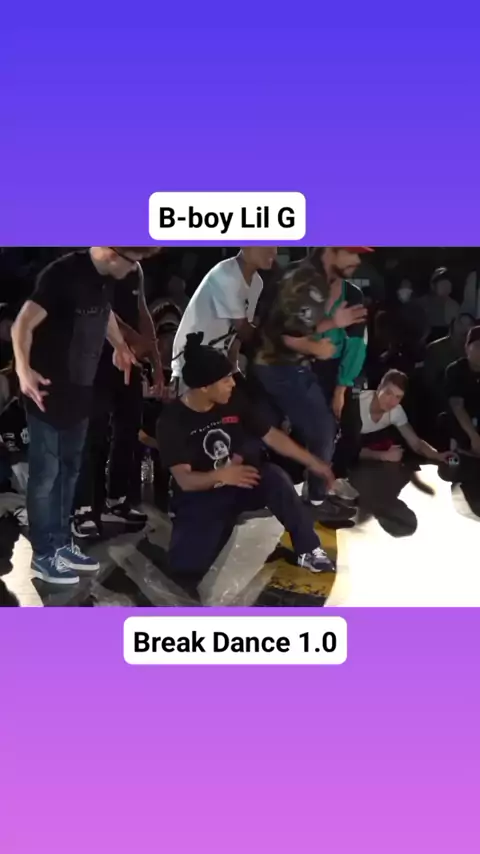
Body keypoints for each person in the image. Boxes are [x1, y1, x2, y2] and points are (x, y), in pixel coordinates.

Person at [157, 333, 337, 596]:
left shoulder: (233, 400)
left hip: (240, 481)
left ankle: (308, 548)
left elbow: (271, 435)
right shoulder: (172, 421)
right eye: (225, 380)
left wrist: (314, 463)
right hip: (201, 495)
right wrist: (222, 476)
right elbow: (185, 480)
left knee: (274, 477)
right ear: (204, 387)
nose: (232, 383)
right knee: (183, 573)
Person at [11, 248, 139, 585]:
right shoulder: (62, 274)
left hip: (80, 391)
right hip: (47, 391)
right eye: (132, 261)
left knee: (69, 472)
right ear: (111, 254)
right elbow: (22, 323)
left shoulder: (105, 278)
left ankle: (60, 544)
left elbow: (104, 312)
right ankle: (43, 555)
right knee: (46, 476)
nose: (134, 269)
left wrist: (120, 346)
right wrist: (23, 370)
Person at [253, 252, 367, 519]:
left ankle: (309, 493)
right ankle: (315, 499)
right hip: (280, 367)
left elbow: (295, 327)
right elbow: (282, 334)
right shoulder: (307, 281)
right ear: (330, 250)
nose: (357, 261)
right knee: (321, 429)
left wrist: (333, 324)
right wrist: (315, 347)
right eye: (351, 252)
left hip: (285, 366)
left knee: (266, 428)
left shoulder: (318, 279)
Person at [73, 247, 163, 538]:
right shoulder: (93, 261)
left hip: (128, 360)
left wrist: (156, 362)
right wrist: (133, 340)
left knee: (128, 430)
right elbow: (102, 309)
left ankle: (117, 501)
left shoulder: (135, 268)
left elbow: (142, 311)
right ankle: (84, 508)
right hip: (93, 359)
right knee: (93, 435)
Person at [342, 370, 450, 535]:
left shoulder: (396, 411)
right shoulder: (357, 404)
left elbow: (416, 443)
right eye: (388, 393)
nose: (391, 401)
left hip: (364, 454)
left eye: (398, 397)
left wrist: (438, 455)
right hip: (340, 450)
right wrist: (382, 456)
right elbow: (343, 447)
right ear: (379, 388)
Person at [171, 246, 278, 389]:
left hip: (217, 361)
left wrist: (234, 368)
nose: (274, 251)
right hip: (192, 362)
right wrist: (279, 333)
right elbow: (243, 330)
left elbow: (236, 337)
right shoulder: (226, 274)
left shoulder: (257, 283)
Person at [445, 325, 480, 455]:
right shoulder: (456, 370)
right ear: (467, 348)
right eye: (478, 346)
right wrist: (474, 436)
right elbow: (457, 406)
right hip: (462, 423)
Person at [418, 268, 460, 341]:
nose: (446, 285)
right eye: (442, 282)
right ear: (433, 285)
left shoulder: (454, 305)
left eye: (448, 282)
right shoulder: (422, 303)